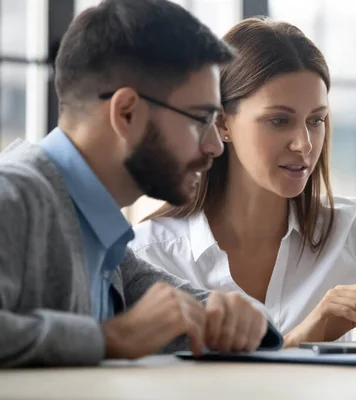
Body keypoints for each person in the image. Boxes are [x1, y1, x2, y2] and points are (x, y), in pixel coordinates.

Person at [130, 17, 356, 348]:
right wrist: (301, 339)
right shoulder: (150, 255)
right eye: (279, 121)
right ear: (222, 123)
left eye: (316, 120)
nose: (304, 144)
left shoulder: (351, 236)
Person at [0, 0, 282, 368]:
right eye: (201, 119)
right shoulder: (12, 196)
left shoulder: (106, 243)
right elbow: (132, 332)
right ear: (127, 113)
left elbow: (189, 314)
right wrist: (112, 338)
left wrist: (243, 319)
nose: (215, 145)